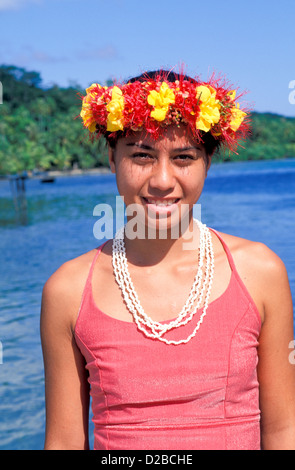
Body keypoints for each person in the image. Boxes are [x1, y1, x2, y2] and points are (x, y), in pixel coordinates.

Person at [40, 69, 295, 450]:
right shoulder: (68, 289)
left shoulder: (259, 272)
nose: (162, 179)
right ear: (112, 159)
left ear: (207, 163)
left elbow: (283, 430)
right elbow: (63, 442)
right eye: (141, 155)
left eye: (183, 157)